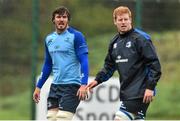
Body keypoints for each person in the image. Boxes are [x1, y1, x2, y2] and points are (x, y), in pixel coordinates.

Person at [86, 6, 161, 120]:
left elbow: (154, 65)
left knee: (119, 118)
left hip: (141, 91)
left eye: (126, 19)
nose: (123, 22)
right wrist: (97, 80)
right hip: (127, 91)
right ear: (115, 21)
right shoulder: (114, 42)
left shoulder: (141, 39)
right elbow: (109, 66)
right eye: (120, 20)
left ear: (130, 20)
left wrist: (150, 87)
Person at [33, 6, 89, 121]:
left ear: (68, 20)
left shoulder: (76, 36)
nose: (61, 19)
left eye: (64, 17)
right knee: (51, 118)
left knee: (62, 118)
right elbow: (48, 64)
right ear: (53, 20)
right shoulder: (49, 39)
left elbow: (84, 61)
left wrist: (84, 84)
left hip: (72, 86)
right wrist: (38, 87)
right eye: (58, 17)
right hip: (55, 86)